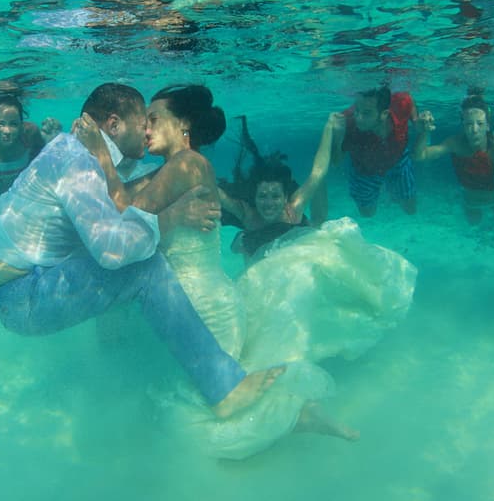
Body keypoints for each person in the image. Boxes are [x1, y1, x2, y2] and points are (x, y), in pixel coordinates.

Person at [79, 85, 416, 459]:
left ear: (183, 124)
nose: (144, 128)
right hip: (197, 303)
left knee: (193, 411)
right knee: (218, 389)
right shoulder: (172, 169)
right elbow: (116, 199)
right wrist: (113, 158)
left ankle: (298, 418)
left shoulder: (188, 164)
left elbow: (122, 211)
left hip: (204, 309)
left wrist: (100, 153)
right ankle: (301, 415)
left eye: (153, 120)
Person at [0, 82, 280, 420]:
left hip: (20, 290)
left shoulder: (76, 153)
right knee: (144, 266)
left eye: (154, 121)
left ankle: (114, 370)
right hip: (22, 297)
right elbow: (114, 251)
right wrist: (169, 217)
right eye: (144, 123)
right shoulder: (79, 163)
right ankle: (224, 389)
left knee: (121, 265)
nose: (147, 131)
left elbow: (125, 197)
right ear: (113, 124)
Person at [220, 113, 338, 265]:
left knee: (318, 223)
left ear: (285, 198)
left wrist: (329, 127)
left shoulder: (293, 210)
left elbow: (318, 171)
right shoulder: (248, 215)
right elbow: (217, 194)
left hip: (294, 235)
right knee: (240, 246)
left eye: (275, 196)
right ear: (254, 198)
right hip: (258, 262)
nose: (268, 203)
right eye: (262, 196)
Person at [413, 93, 494, 248]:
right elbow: (420, 156)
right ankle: (484, 240)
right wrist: (424, 132)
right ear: (463, 125)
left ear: (488, 125)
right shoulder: (456, 143)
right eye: (469, 124)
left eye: (480, 124)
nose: (474, 130)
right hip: (471, 202)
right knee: (473, 224)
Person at [329, 85, 419, 217]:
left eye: (366, 113)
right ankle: (382, 188)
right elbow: (335, 162)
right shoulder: (347, 122)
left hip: (397, 161)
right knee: (367, 214)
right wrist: (337, 138)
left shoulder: (402, 102)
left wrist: (416, 120)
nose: (358, 118)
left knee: (410, 209)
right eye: (357, 110)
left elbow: (409, 101)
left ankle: (389, 187)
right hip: (364, 170)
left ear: (384, 114)